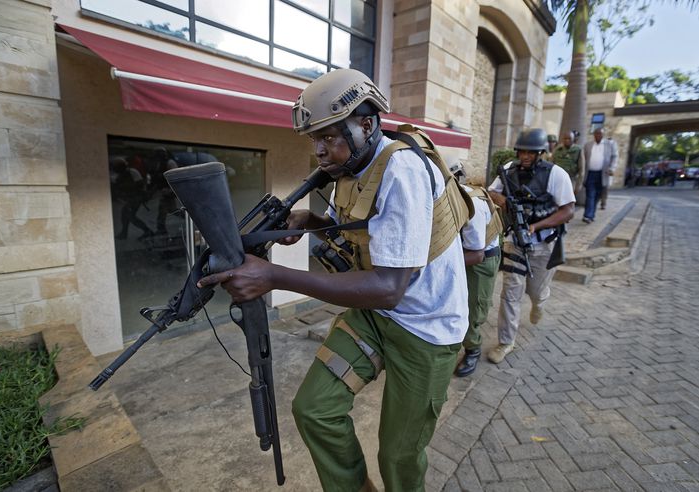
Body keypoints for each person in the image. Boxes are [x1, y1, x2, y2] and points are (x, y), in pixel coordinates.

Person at [198, 69, 469, 491]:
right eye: (314, 140)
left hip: (427, 329)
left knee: (398, 454)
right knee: (315, 409)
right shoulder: (353, 169)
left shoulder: (401, 170)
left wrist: (275, 276)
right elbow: (369, 236)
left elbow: (388, 288)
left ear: (366, 123)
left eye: (328, 136)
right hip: (376, 318)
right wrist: (314, 221)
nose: (320, 151)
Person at [486, 128, 575, 364]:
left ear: (540, 153)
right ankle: (506, 342)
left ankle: (539, 303)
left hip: (544, 244)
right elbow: (492, 192)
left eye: (530, 152)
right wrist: (506, 202)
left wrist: (536, 226)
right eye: (522, 151)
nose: (525, 156)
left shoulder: (556, 174)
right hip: (514, 242)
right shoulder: (508, 171)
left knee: (535, 290)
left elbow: (568, 210)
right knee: (510, 293)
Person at [450, 163, 502, 378]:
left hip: (480, 261)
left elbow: (477, 254)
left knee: (473, 310)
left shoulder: (473, 202)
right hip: (463, 254)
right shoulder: (453, 197)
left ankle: (473, 349)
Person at [111, 157, 153, 240]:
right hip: (130, 198)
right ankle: (124, 233)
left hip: (136, 198)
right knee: (125, 214)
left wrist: (126, 188)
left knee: (130, 216)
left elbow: (140, 185)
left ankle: (148, 231)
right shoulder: (120, 176)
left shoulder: (132, 172)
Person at [582, 127, 617, 222]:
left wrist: (611, 168)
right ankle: (587, 215)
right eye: (596, 133)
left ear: (603, 134)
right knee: (590, 194)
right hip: (590, 173)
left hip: (603, 174)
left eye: (600, 134)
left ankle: (591, 214)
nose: (598, 135)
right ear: (594, 135)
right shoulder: (588, 145)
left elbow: (614, 157)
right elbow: (584, 158)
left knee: (598, 195)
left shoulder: (609, 145)